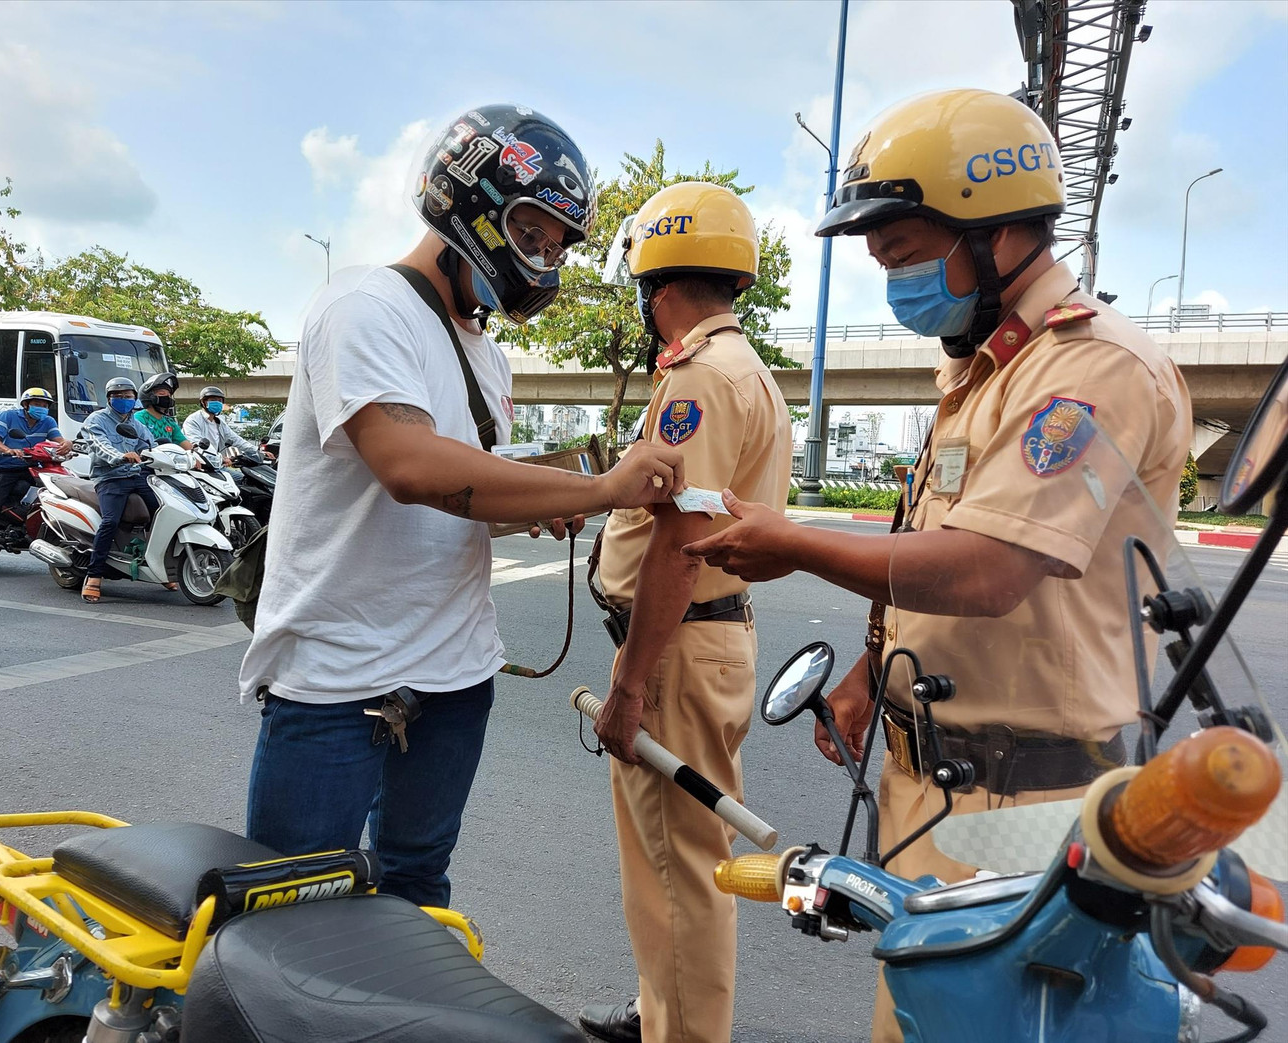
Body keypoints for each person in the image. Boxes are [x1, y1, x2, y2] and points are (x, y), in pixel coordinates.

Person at [681, 88, 1192, 1043]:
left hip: (1028, 805)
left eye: (905, 254)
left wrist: (786, 539)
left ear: (995, 233)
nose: (892, 281)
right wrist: (877, 669)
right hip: (936, 786)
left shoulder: (1089, 367)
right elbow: (939, 552)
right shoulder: (983, 369)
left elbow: (989, 569)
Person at [238, 103, 687, 908]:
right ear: (466, 199)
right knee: (285, 912)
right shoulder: (363, 307)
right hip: (338, 676)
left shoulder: (490, 356)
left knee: (415, 888)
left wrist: (544, 494)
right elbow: (409, 466)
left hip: (453, 676)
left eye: (557, 244)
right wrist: (599, 487)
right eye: (531, 230)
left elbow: (469, 487)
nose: (544, 257)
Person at [578, 184, 792, 1043]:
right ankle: (656, 1013)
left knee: (680, 874)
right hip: (704, 640)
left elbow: (680, 541)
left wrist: (630, 685)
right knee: (677, 863)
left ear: (656, 286)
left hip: (672, 650)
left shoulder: (700, 377)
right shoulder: (746, 367)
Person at [79, 376, 165, 604]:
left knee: (162, 513)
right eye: (118, 396)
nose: (124, 400)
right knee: (110, 521)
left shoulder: (137, 424)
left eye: (128, 396)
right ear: (109, 398)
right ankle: (94, 574)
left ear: (135, 398)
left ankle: (161, 567)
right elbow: (99, 445)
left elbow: (151, 447)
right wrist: (120, 457)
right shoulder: (96, 419)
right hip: (109, 477)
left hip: (137, 477)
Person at [0, 387, 73, 575]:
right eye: (37, 404)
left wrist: (66, 444)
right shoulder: (9, 416)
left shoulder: (47, 421)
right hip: (4, 468)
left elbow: (57, 440)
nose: (41, 408)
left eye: (44, 405)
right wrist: (7, 450)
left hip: (32, 468)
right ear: (26, 405)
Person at [184, 386, 253, 459]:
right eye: (213, 400)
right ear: (203, 402)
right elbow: (196, 443)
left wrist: (256, 450)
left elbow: (236, 439)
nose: (217, 403)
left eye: (220, 401)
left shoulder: (220, 423)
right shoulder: (193, 420)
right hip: (198, 463)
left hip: (216, 463)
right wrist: (218, 457)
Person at [133, 373, 197, 453]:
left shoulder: (169, 421)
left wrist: (194, 454)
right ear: (149, 396)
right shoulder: (139, 418)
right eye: (162, 394)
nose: (167, 398)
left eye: (169, 395)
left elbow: (184, 442)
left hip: (171, 461)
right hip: (148, 461)